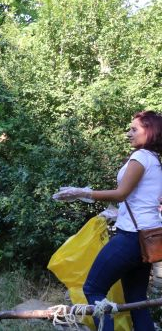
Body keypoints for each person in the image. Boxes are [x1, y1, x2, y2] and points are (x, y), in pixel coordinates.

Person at [53, 111, 162, 331]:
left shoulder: (140, 158)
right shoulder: (154, 161)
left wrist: (82, 192)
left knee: (93, 288)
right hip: (147, 237)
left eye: (134, 129)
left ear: (149, 131)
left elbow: (121, 193)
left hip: (131, 238)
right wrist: (115, 213)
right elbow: (142, 200)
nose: (128, 134)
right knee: (136, 300)